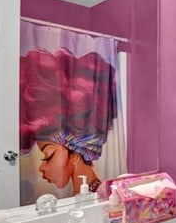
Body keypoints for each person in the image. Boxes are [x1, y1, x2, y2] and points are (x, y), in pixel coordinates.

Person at [20, 46, 117, 204]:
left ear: (75, 155)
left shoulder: (97, 199)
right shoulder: (81, 197)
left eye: (48, 156)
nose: (41, 168)